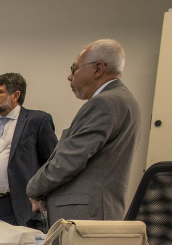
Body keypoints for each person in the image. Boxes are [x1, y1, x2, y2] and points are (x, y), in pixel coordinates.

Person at [26, 39, 141, 225]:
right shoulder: (123, 100)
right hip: (97, 215)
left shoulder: (103, 103)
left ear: (98, 69)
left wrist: (32, 188)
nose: (69, 77)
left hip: (85, 219)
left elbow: (68, 161)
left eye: (74, 69)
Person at [0, 73, 58, 229]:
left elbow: (52, 163)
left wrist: (42, 197)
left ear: (15, 95)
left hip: (19, 206)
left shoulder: (37, 121)